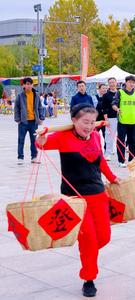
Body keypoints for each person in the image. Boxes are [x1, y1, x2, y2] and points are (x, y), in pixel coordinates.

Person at [36, 103, 120, 298]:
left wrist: (113, 178)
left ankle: (86, 249)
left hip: (98, 195)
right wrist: (40, 139)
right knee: (90, 239)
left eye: (92, 122)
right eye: (84, 122)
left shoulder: (96, 137)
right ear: (73, 120)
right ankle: (88, 278)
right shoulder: (63, 137)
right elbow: (41, 145)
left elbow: (100, 161)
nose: (89, 126)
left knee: (104, 237)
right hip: (74, 198)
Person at [112, 75, 135, 168]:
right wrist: (117, 109)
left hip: (133, 122)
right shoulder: (120, 92)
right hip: (122, 121)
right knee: (121, 142)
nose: (131, 84)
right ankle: (121, 161)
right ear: (126, 83)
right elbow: (113, 104)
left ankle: (132, 160)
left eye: (133, 83)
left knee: (132, 141)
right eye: (129, 82)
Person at [14, 77, 45, 165]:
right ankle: (20, 157)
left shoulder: (36, 95)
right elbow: (16, 108)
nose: (28, 86)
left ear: (32, 85)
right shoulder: (20, 96)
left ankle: (34, 157)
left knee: (34, 140)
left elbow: (40, 107)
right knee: (21, 140)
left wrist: (41, 118)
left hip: (33, 122)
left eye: (30, 84)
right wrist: (17, 119)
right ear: (23, 85)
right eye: (26, 84)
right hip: (23, 122)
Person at [102, 77, 119, 161]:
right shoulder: (106, 95)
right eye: (110, 83)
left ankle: (119, 152)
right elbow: (104, 108)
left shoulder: (120, 93)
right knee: (109, 136)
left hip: (121, 117)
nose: (112, 84)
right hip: (111, 118)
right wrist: (106, 119)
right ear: (108, 84)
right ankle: (108, 153)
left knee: (122, 136)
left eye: (113, 82)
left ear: (116, 83)